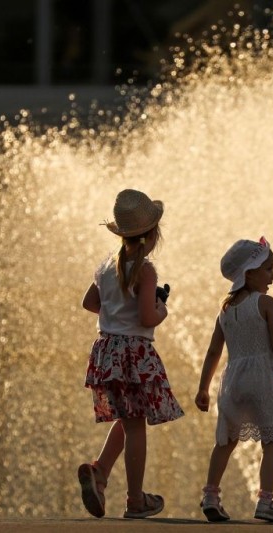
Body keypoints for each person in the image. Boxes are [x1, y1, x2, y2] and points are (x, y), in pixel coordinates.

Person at [78, 189, 184, 519]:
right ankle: (135, 501)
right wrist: (162, 309)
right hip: (134, 354)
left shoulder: (107, 266)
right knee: (137, 426)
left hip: (106, 351)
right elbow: (147, 318)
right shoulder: (146, 270)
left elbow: (90, 304)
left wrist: (114, 315)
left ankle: (100, 472)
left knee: (128, 419)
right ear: (153, 234)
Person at [195, 237, 273, 523]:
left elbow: (214, 350)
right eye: (268, 269)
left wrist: (203, 387)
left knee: (226, 440)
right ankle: (265, 501)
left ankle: (211, 495)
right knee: (271, 439)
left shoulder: (224, 311)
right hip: (263, 377)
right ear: (249, 273)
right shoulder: (265, 303)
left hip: (234, 380)